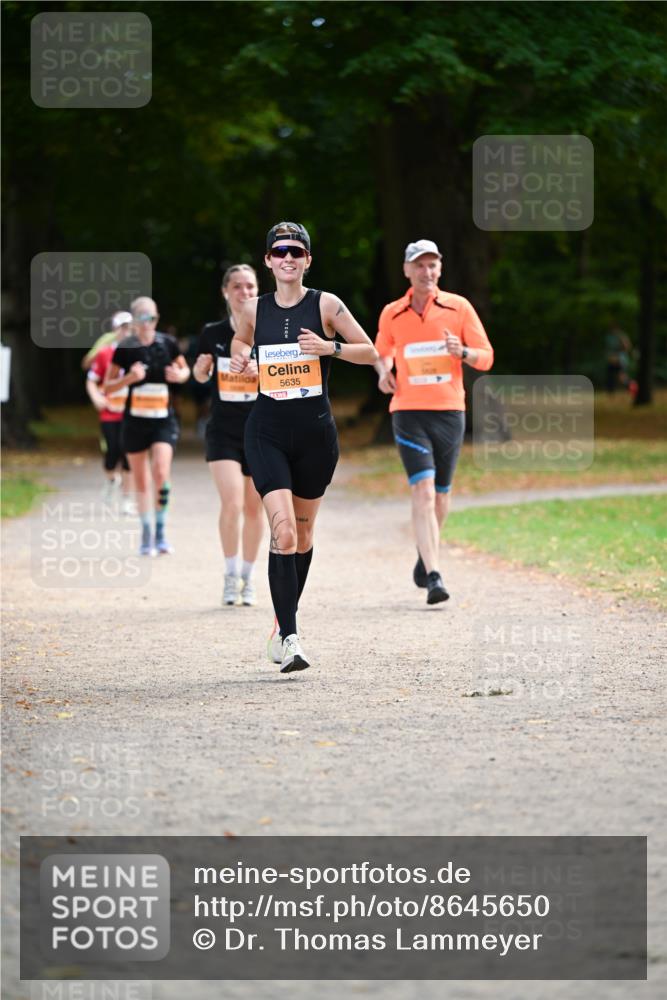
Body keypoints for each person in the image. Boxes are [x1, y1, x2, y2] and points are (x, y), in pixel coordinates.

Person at [230, 222, 378, 672]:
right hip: (267, 432)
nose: (288, 258)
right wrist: (241, 354)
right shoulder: (254, 308)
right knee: (285, 534)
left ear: (307, 260)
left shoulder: (326, 304)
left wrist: (328, 348)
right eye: (280, 251)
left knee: (305, 536)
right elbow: (240, 338)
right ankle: (292, 639)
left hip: (316, 436)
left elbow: (369, 350)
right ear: (269, 260)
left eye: (296, 251)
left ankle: (280, 621)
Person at [375, 239, 494, 604]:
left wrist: (464, 352)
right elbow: (382, 353)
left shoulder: (458, 308)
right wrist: (383, 373)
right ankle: (436, 576)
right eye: (420, 265)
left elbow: (486, 357)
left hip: (449, 412)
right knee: (423, 491)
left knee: (441, 495)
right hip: (408, 413)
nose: (427, 272)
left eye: (433, 265)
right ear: (407, 270)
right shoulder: (392, 313)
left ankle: (424, 558)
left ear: (440, 269)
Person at [193, 265, 264, 607]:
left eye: (250, 286)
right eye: (237, 286)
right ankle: (229, 574)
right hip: (223, 429)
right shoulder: (212, 332)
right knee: (232, 502)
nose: (244, 292)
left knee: (254, 508)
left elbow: (288, 375)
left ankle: (248, 578)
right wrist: (200, 370)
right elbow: (201, 373)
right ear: (226, 292)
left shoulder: (270, 330)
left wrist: (260, 371)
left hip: (261, 428)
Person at [103, 297, 190, 556]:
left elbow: (185, 371)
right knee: (141, 480)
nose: (147, 323)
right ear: (134, 320)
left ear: (157, 318)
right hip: (135, 422)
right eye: (141, 318)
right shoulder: (125, 348)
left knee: (161, 472)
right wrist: (130, 377)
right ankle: (146, 533)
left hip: (163, 420)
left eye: (151, 318)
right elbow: (107, 387)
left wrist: (180, 376)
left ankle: (161, 530)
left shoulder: (168, 343)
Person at [85, 312, 135, 514]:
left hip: (132, 413)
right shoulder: (105, 353)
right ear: (115, 330)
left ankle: (126, 500)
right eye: (123, 327)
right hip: (110, 412)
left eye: (130, 327)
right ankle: (112, 480)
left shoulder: (139, 352)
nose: (126, 331)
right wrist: (97, 398)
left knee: (129, 455)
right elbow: (91, 380)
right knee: (112, 453)